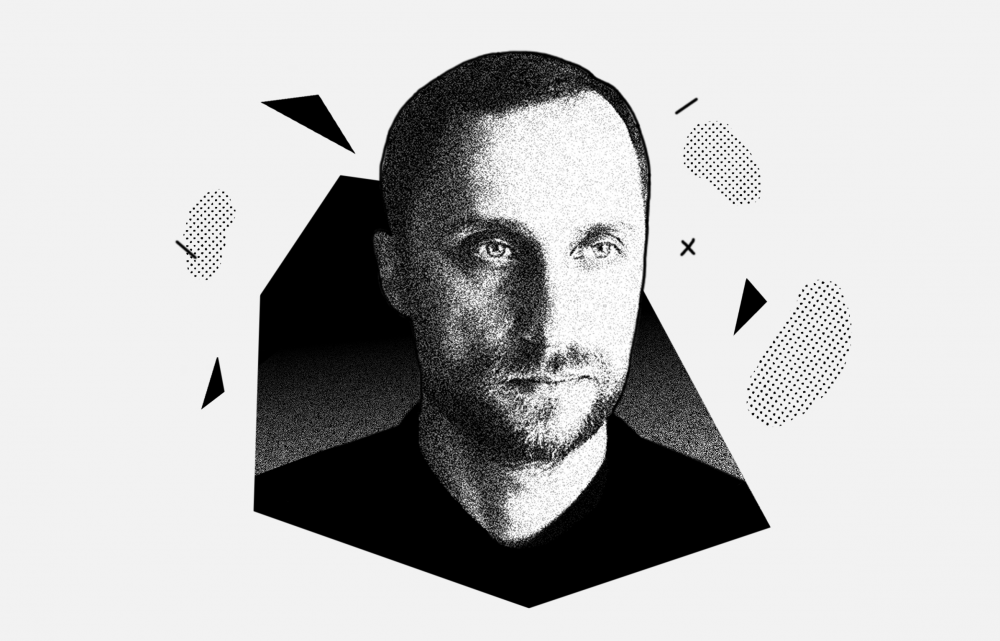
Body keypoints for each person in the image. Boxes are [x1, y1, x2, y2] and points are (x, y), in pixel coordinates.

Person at [254, 52, 768, 607]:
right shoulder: (264, 536)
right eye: (493, 249)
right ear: (396, 273)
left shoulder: (750, 545)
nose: (550, 326)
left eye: (599, 248)